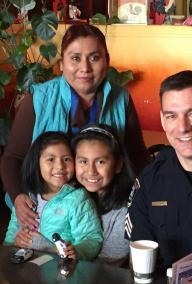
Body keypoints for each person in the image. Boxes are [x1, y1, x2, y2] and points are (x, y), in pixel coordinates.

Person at [1, 24, 149, 231]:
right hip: (45, 209)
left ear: (106, 62)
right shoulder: (38, 99)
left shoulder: (121, 98)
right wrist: (18, 197)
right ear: (61, 63)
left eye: (94, 58)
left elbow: (137, 155)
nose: (85, 68)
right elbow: (12, 158)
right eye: (75, 58)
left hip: (105, 207)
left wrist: (147, 196)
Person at [125, 70, 192, 271]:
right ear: (163, 120)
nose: (182, 128)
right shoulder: (149, 181)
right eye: (172, 116)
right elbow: (138, 261)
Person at [3, 132, 103, 260]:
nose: (60, 166)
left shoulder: (78, 199)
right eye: (50, 159)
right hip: (25, 269)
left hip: (60, 271)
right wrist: (13, 245)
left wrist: (77, 251)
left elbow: (92, 238)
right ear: (37, 163)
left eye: (66, 159)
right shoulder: (27, 197)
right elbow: (12, 232)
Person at [72, 125, 134, 266]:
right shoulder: (70, 196)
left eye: (100, 162)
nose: (91, 171)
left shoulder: (126, 210)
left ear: (118, 165)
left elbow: (108, 262)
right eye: (83, 161)